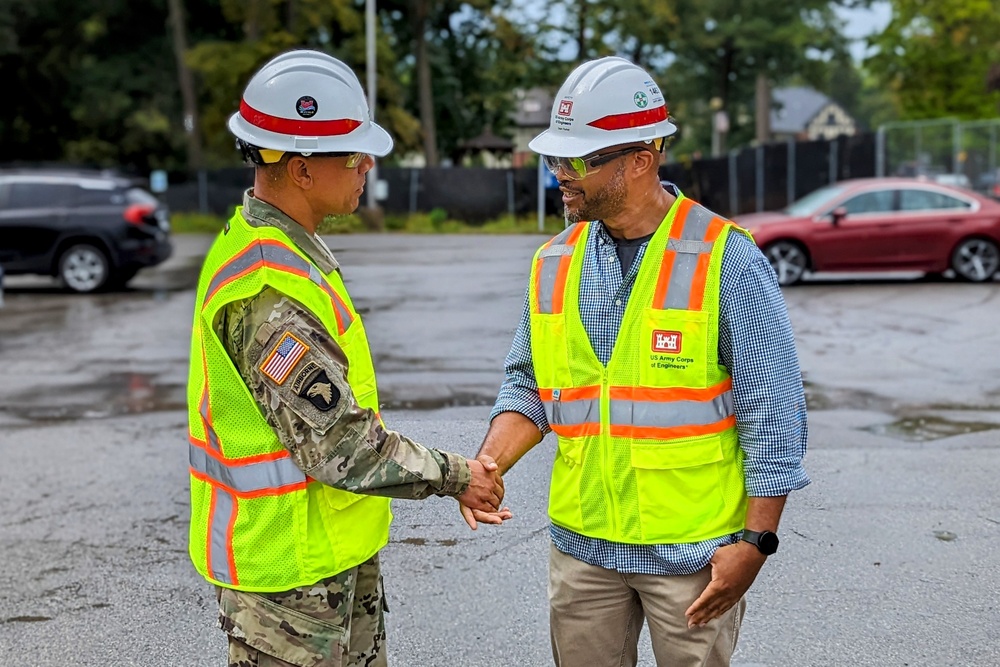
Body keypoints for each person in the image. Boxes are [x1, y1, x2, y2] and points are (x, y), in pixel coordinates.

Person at [460, 57, 810, 666]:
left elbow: (772, 412)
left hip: (694, 555)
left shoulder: (725, 258)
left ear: (640, 159)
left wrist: (756, 541)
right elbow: (529, 389)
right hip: (583, 552)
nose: (559, 177)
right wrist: (484, 468)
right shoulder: (552, 261)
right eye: (554, 160)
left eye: (575, 162)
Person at [186, 49, 508, 667]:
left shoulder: (286, 254)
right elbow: (343, 448)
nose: (367, 166)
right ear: (302, 170)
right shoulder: (266, 288)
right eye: (354, 155)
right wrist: (459, 476)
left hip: (325, 562)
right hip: (290, 584)